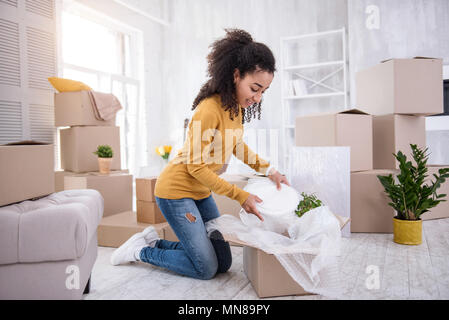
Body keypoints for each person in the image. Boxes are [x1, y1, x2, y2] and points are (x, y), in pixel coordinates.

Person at [110, 28, 290, 280]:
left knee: (223, 263)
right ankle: (140, 251)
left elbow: (238, 146)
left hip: (200, 193)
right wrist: (239, 195)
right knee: (205, 268)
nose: (258, 98)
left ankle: (153, 242)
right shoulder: (208, 110)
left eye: (263, 91)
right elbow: (195, 168)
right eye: (255, 88)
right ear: (236, 75)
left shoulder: (236, 109)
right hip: (175, 192)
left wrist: (270, 171)